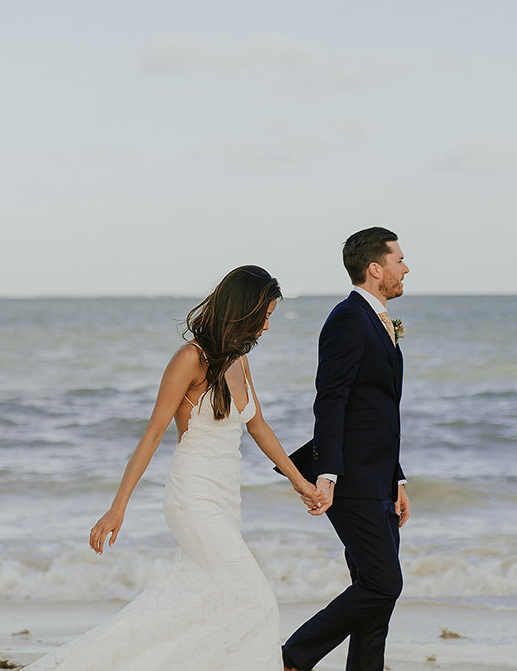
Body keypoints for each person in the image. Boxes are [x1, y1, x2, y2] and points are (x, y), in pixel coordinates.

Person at [24, 265, 324, 671]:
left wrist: (300, 481)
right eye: (265, 315)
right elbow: (151, 436)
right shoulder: (190, 359)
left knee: (206, 602)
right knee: (256, 599)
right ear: (243, 311)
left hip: (225, 500)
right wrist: (118, 507)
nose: (268, 326)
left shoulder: (239, 361)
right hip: (192, 498)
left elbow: (258, 426)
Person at [280, 228, 411, 671]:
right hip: (350, 477)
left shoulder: (380, 321)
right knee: (382, 584)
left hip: (378, 478)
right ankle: (292, 658)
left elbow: (376, 410)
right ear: (376, 269)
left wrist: (398, 478)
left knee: (376, 602)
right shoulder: (347, 319)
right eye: (399, 260)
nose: (405, 269)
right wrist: (327, 475)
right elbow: (331, 399)